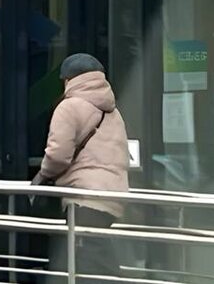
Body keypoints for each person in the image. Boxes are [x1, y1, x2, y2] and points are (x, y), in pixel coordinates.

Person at [32, 53, 129, 276]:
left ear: (68, 80)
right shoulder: (113, 112)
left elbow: (58, 156)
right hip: (113, 194)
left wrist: (43, 174)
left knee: (89, 257)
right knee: (83, 255)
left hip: (84, 196)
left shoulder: (69, 107)